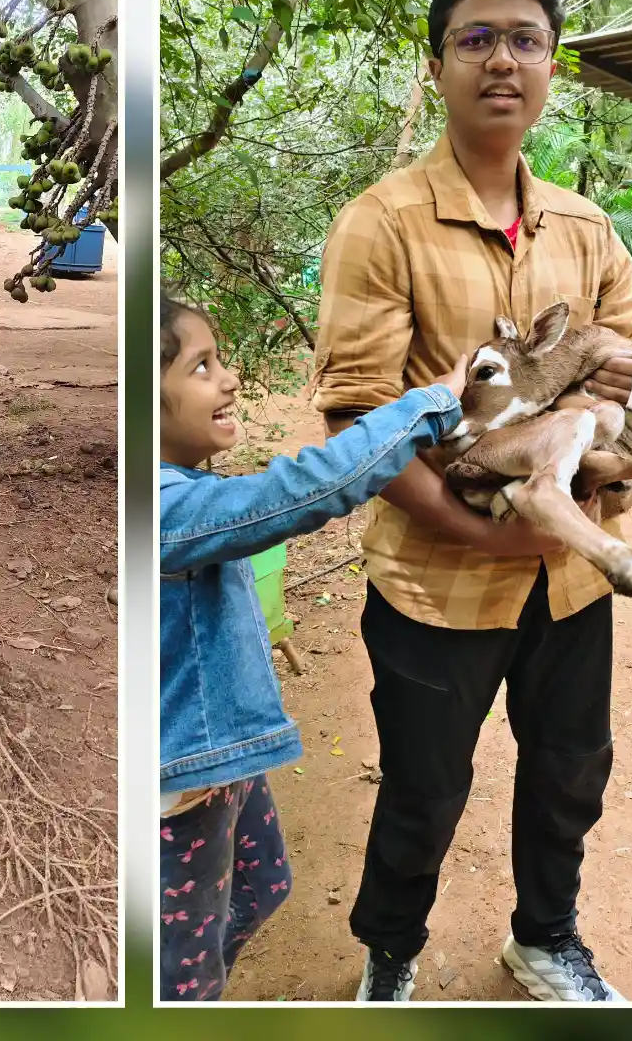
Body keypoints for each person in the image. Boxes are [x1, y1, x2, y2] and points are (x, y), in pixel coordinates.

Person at [311, 0, 632, 1002]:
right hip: (439, 583)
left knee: (571, 772)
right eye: (475, 38)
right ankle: (390, 953)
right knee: (425, 788)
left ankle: (546, 936)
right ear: (436, 64)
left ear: (553, 67)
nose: (502, 60)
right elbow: (357, 413)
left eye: (524, 40)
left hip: (574, 582)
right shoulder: (380, 223)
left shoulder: (584, 227)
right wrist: (478, 533)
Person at [159, 294, 468, 1002]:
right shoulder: (164, 508)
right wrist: (431, 403)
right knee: (184, 970)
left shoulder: (187, 489)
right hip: (178, 795)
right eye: (201, 366)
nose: (229, 378)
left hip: (226, 761)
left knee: (264, 887)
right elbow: (306, 488)